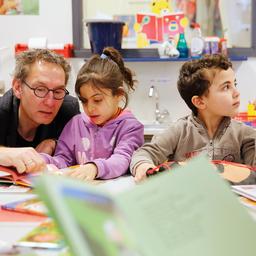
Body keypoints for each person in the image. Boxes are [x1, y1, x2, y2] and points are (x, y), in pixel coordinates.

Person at [131, 54, 256, 183]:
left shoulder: (244, 134)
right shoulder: (179, 131)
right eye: (226, 87)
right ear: (200, 102)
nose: (237, 93)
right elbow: (144, 154)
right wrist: (144, 167)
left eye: (234, 84)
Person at [41, 47, 144, 181]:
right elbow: (63, 160)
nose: (90, 108)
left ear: (118, 95)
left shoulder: (131, 127)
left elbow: (122, 159)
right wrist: (42, 160)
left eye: (97, 100)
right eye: (84, 101)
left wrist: (95, 167)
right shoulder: (75, 124)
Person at [0, 49, 80, 158]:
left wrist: (55, 143)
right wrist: (6, 154)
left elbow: (87, 147)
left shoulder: (68, 110)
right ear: (18, 88)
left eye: (58, 91)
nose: (50, 102)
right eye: (40, 89)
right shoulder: (2, 110)